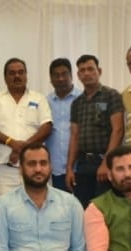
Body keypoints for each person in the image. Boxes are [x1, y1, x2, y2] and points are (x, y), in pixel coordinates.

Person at [0, 58, 53, 198]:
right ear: (5, 77)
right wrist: (11, 142)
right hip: (5, 171)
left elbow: (47, 127)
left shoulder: (39, 99)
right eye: (12, 73)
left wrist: (21, 148)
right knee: (6, 208)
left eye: (21, 72)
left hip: (36, 168)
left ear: (26, 75)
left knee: (39, 205)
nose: (17, 76)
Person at [66, 54, 124, 206]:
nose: (86, 73)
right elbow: (74, 136)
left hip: (105, 163)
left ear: (99, 71)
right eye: (82, 70)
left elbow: (118, 130)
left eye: (90, 69)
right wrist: (70, 168)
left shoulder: (111, 95)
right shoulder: (77, 103)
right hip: (83, 164)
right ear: (78, 75)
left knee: (106, 210)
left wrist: (106, 163)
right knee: (84, 210)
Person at [45, 58, 81, 192]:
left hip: (79, 167)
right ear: (51, 79)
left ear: (71, 75)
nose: (61, 78)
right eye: (56, 75)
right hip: (54, 169)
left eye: (64, 74)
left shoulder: (82, 99)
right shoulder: (45, 102)